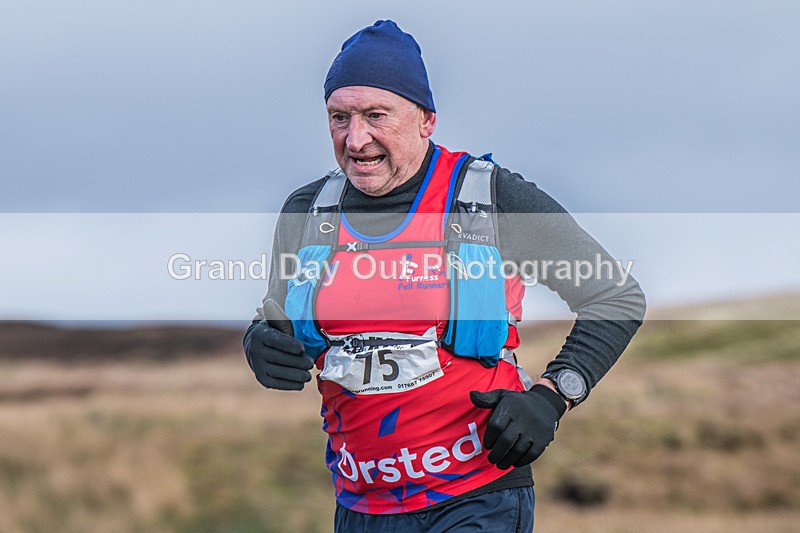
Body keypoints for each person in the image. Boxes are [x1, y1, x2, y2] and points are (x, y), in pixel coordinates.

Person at [244, 20, 646, 532]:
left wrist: (551, 396)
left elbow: (615, 297)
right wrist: (258, 343)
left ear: (426, 120)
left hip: (477, 496)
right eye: (339, 117)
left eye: (375, 115)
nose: (355, 137)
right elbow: (276, 319)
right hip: (363, 505)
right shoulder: (307, 211)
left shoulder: (490, 199)